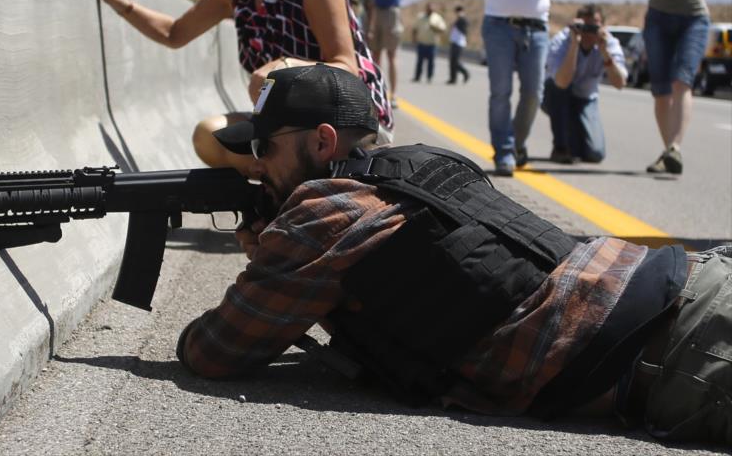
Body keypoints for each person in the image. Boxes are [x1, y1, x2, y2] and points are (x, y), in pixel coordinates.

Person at [177, 64, 731, 445]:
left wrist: (266, 258)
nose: (257, 165)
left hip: (685, 351)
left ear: (322, 142)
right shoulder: (423, 163)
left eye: (264, 147)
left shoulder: (324, 213)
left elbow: (215, 351)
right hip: (691, 281)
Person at [94, 0, 393, 175]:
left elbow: (346, 67)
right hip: (288, 124)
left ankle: (298, 195)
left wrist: (285, 69)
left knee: (269, 92)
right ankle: (282, 195)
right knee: (208, 135)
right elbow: (174, 34)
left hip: (347, 120)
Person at [616, 0, 711, 175]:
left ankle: (675, 147)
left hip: (693, 19)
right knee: (660, 90)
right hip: (658, 19)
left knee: (682, 80)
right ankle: (669, 151)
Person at [479, 0, 557, 177]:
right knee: (501, 92)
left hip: (536, 27)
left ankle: (516, 143)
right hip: (498, 24)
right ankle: (504, 152)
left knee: (534, 93)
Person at [542, 4, 628, 164]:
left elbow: (620, 83)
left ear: (603, 26)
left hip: (585, 100)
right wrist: (574, 45)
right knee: (557, 89)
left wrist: (605, 53)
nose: (589, 32)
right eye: (584, 26)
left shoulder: (609, 43)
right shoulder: (562, 40)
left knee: (595, 154)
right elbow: (561, 82)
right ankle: (560, 147)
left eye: (593, 26)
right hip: (556, 97)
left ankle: (574, 143)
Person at [369, 0, 402, 108]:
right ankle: (377, 90)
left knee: (391, 54)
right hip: (374, 8)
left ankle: (393, 94)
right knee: (375, 55)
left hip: (390, 8)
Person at [411, 2, 446, 84]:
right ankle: (417, 77)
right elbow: (415, 28)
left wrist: (435, 28)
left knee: (431, 62)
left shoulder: (437, 18)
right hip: (422, 43)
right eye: (428, 8)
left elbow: (443, 29)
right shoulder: (421, 17)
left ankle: (429, 77)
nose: (430, 10)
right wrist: (414, 38)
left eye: (431, 8)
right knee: (420, 61)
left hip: (432, 44)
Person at [446, 5, 470, 85]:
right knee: (452, 62)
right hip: (454, 42)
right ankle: (453, 79)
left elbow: (465, 30)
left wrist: (459, 20)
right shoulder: (458, 20)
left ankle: (465, 73)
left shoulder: (463, 20)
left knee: (456, 62)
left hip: (459, 43)